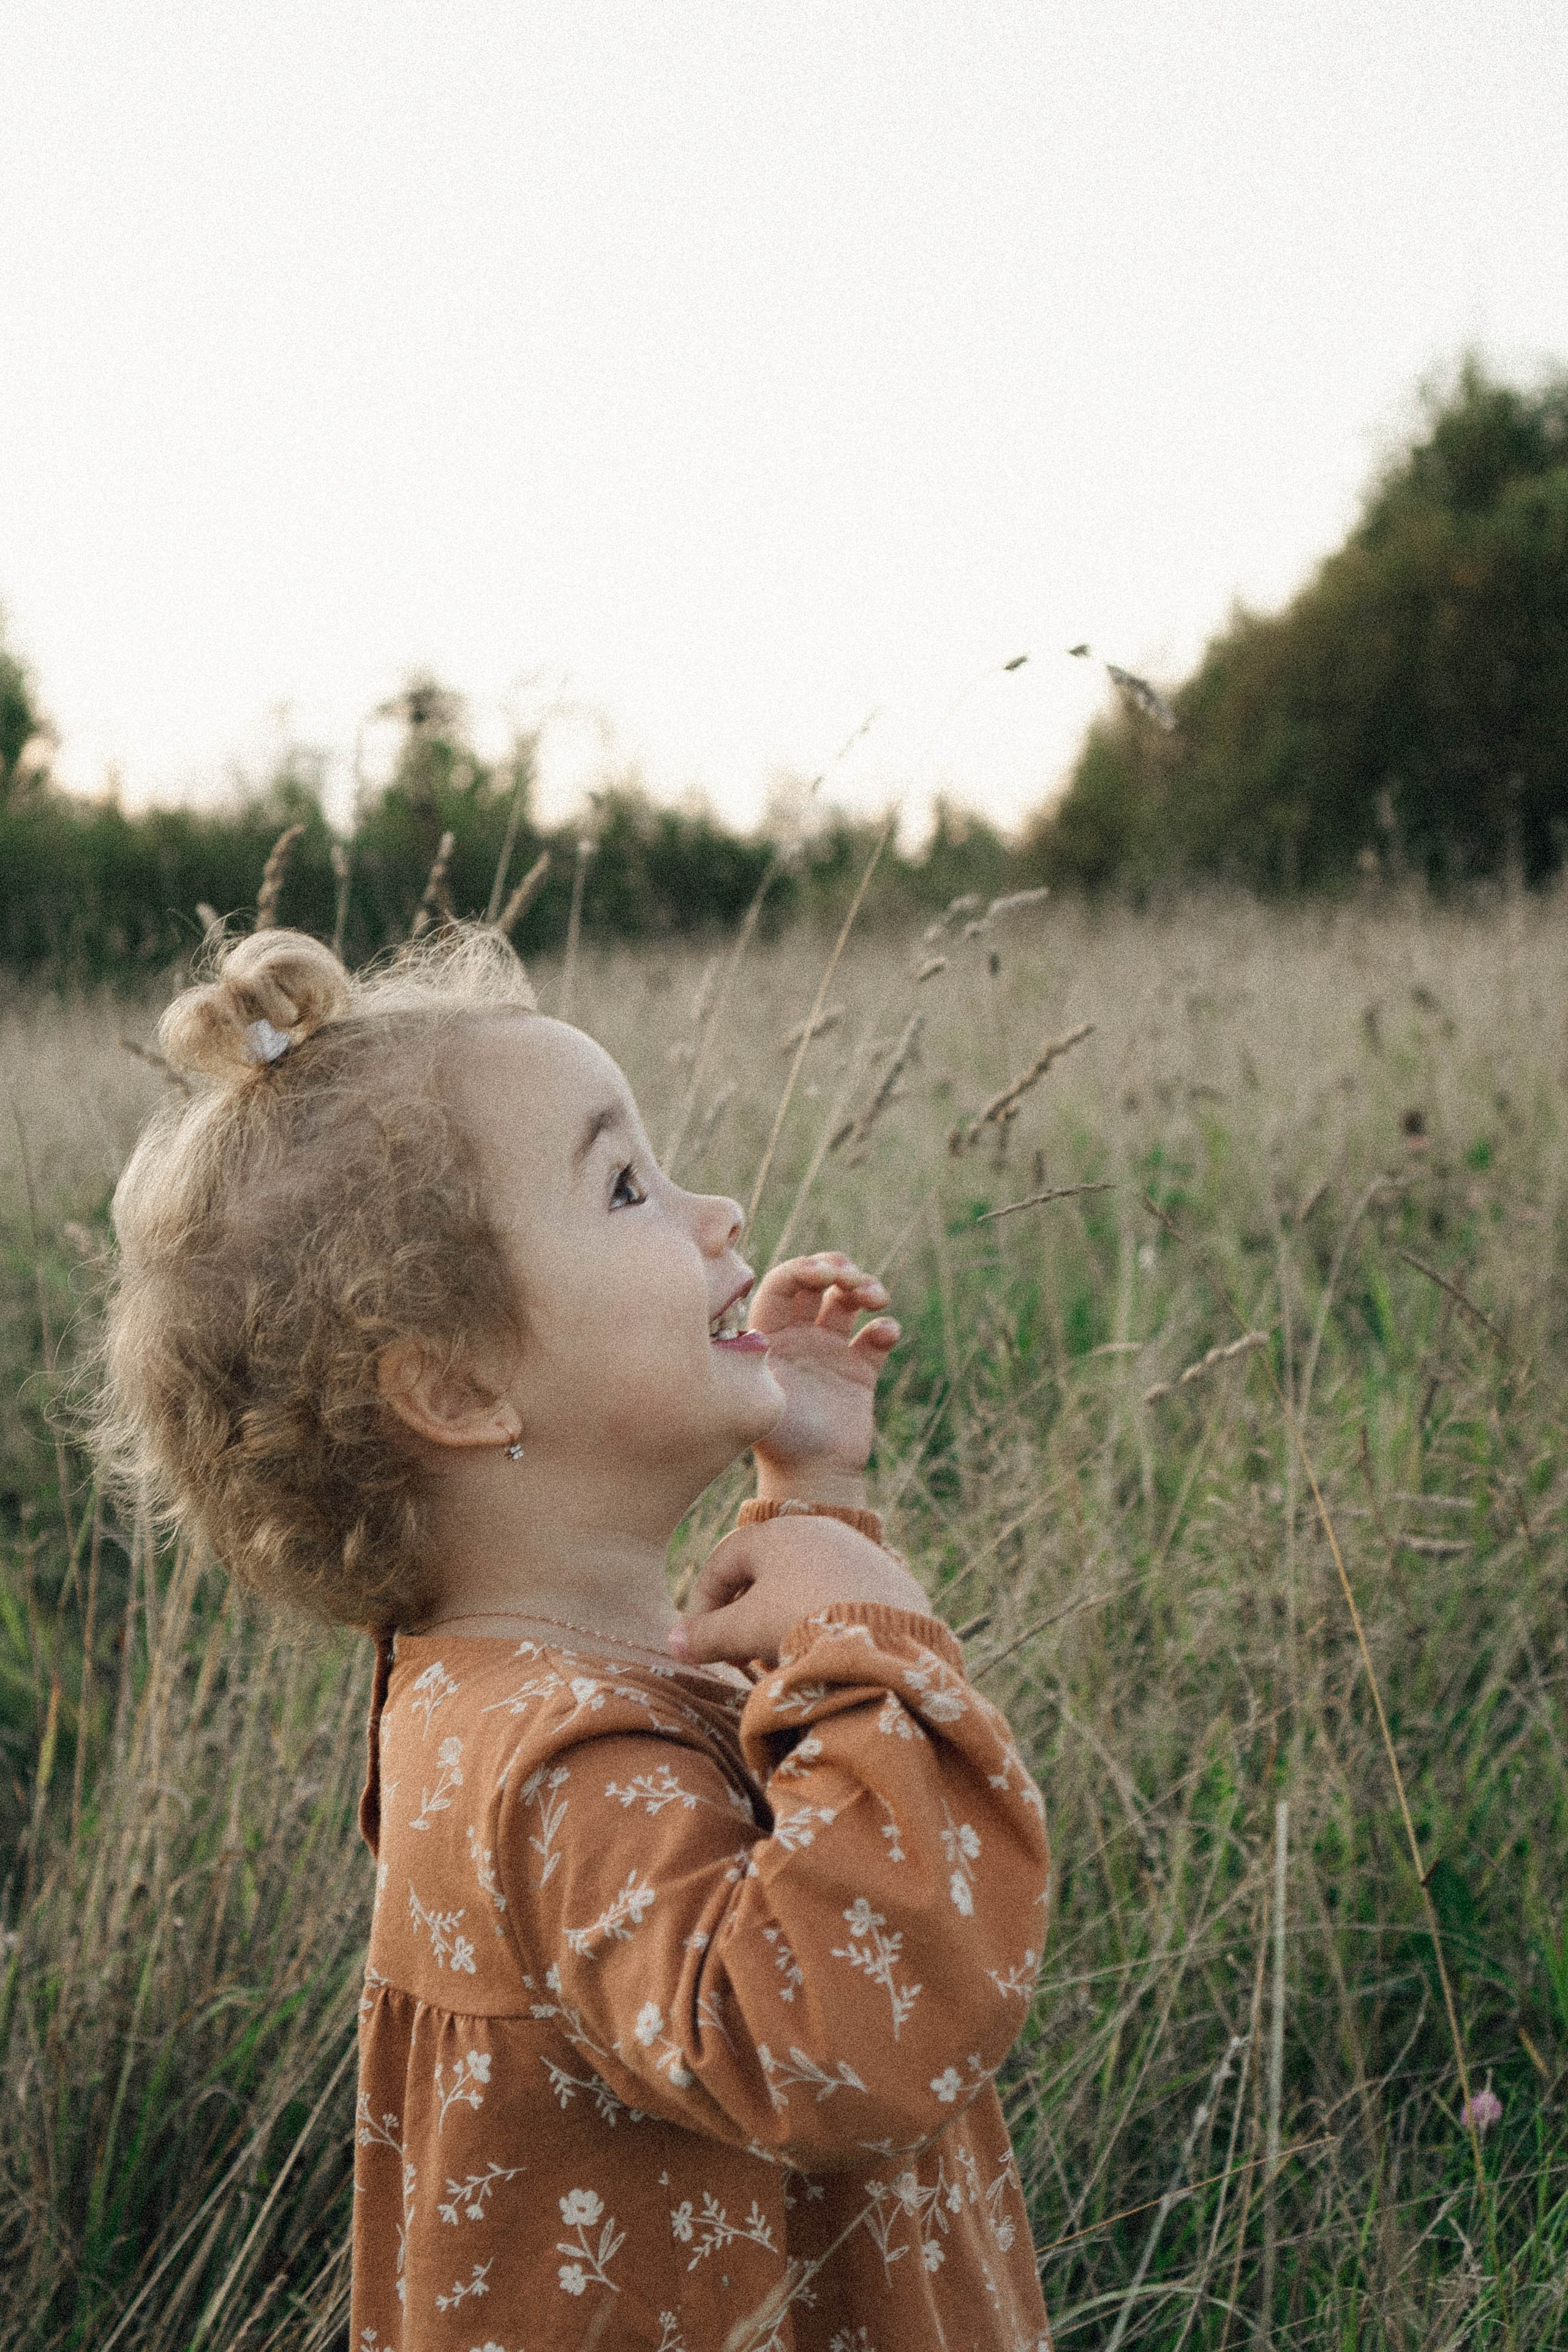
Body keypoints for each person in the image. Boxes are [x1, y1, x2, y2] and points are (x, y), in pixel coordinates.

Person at [100, 924, 1053, 2352]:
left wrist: (815, 1496)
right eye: (624, 1185)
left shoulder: (499, 1691)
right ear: (463, 1386)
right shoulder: (570, 1768)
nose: (720, 1210)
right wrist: (867, 1627)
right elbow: (838, 2035)